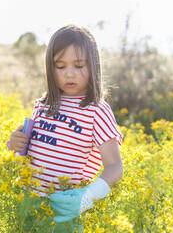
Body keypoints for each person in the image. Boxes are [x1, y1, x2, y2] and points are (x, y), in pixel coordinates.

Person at [8, 24, 124, 232]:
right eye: (60, 67)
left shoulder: (96, 110)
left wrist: (86, 198)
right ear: (50, 69)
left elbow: (115, 166)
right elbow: (24, 150)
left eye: (79, 65)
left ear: (93, 66)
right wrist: (14, 142)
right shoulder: (43, 104)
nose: (69, 74)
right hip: (27, 204)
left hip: (64, 211)